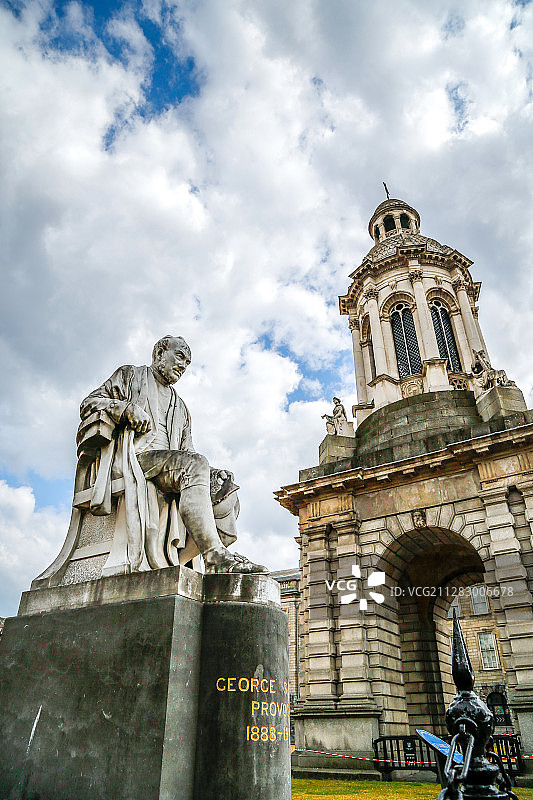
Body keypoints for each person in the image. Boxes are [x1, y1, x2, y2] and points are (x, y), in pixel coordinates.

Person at [79, 335, 267, 575]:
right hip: (134, 458)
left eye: (187, 363)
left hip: (170, 466)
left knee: (228, 492)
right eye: (179, 357)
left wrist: (213, 474)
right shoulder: (130, 376)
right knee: (195, 465)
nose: (183, 366)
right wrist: (125, 409)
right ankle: (214, 555)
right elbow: (89, 403)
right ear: (159, 353)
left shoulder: (181, 406)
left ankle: (178, 563)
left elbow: (188, 451)